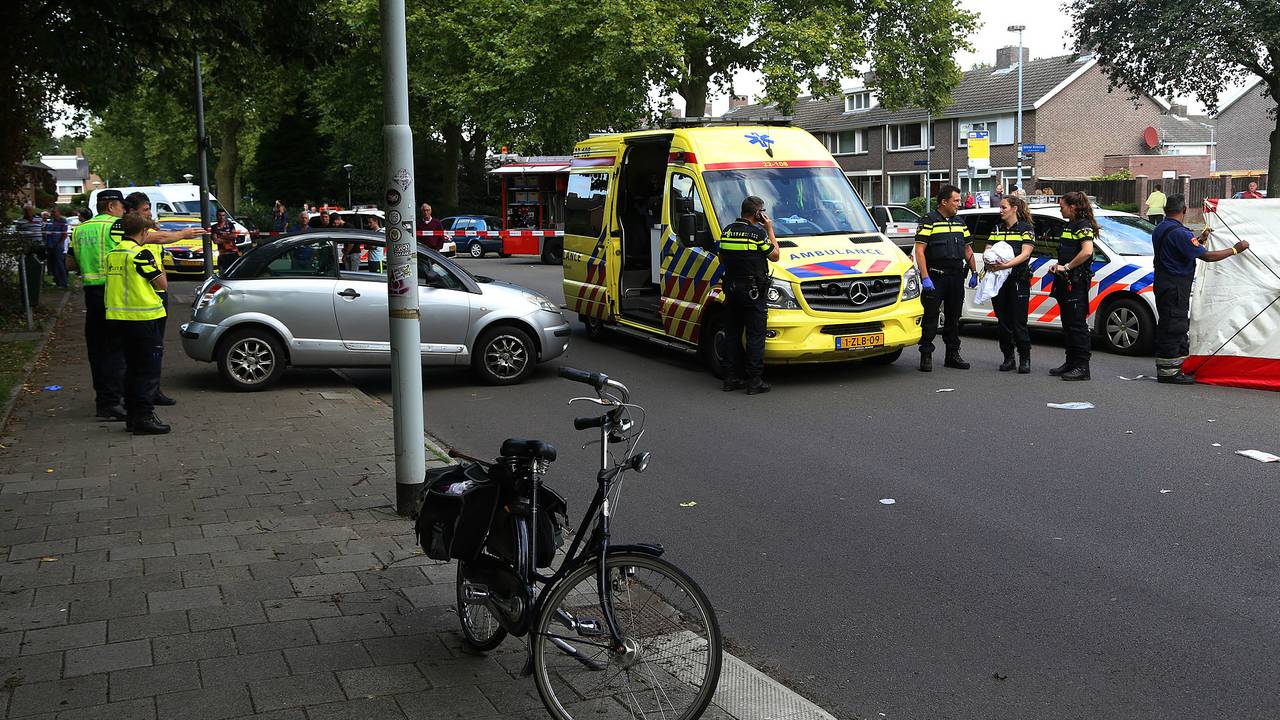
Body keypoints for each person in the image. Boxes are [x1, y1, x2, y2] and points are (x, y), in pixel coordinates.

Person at [112, 191, 201, 407]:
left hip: (154, 297)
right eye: (145, 210)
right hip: (137, 301)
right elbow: (159, 239)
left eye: (150, 209)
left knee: (155, 349)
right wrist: (183, 234)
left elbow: (159, 253)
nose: (150, 214)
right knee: (137, 355)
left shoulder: (148, 230)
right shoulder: (124, 230)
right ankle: (137, 399)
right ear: (132, 213)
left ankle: (153, 390)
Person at [1150, 194, 1249, 384]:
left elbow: (1181, 250)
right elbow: (1207, 257)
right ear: (1185, 210)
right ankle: (1168, 373)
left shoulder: (1160, 228)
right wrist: (1235, 249)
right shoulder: (1181, 233)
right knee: (1174, 326)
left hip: (1163, 282)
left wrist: (1199, 240)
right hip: (1175, 286)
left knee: (1170, 323)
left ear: (1164, 210)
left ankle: (1174, 367)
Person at [104, 211, 170, 434]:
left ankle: (132, 416)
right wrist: (160, 263)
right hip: (143, 318)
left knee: (131, 369)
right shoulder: (140, 255)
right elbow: (161, 284)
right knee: (147, 371)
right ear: (144, 232)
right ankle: (144, 417)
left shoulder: (113, 254)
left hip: (118, 319)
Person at [69, 190, 128, 419]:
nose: (123, 210)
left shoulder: (79, 230)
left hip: (90, 294)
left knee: (97, 349)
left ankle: (103, 401)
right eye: (121, 206)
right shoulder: (116, 226)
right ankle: (115, 401)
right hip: (113, 292)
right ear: (112, 206)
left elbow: (69, 263)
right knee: (116, 348)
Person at [716, 196, 778, 394]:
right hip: (753, 293)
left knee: (732, 335)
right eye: (762, 211)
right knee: (755, 336)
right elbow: (775, 255)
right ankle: (754, 381)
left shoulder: (726, 232)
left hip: (732, 290)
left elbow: (721, 257)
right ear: (757, 213)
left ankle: (730, 379)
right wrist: (769, 229)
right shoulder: (757, 234)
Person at [914, 184, 978, 372]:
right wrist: (925, 277)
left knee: (953, 317)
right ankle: (926, 354)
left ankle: (952, 354)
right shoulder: (929, 221)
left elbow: (967, 249)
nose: (959, 204)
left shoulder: (960, 222)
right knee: (931, 317)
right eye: (956, 201)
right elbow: (919, 250)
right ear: (944, 202)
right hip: (935, 277)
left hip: (956, 277)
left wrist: (974, 271)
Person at [1048, 191, 1098, 381]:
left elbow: (1087, 251)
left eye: (1062, 206)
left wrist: (1067, 267)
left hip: (1075, 282)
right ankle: (1071, 362)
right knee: (1068, 325)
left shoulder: (1082, 226)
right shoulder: (1070, 225)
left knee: (1077, 325)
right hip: (1065, 280)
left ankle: (1082, 367)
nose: (1060, 209)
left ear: (1073, 207)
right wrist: (1059, 266)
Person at [983, 196, 1036, 373]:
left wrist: (1006, 265)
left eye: (1004, 207)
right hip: (999, 280)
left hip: (1017, 280)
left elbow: (1025, 254)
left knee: (1018, 321)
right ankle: (1008, 357)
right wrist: (988, 259)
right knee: (1003, 321)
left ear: (1014, 208)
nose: (1000, 210)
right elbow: (988, 248)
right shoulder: (997, 228)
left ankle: (1025, 358)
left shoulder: (1025, 228)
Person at [43, 206, 70, 288]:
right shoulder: (51, 221)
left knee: (59, 264)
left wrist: (59, 243)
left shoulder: (62, 220)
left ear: (58, 212)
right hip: (50, 245)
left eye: (54, 212)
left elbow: (64, 233)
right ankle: (57, 281)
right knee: (53, 265)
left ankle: (63, 282)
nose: (53, 213)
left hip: (57, 245)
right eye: (52, 212)